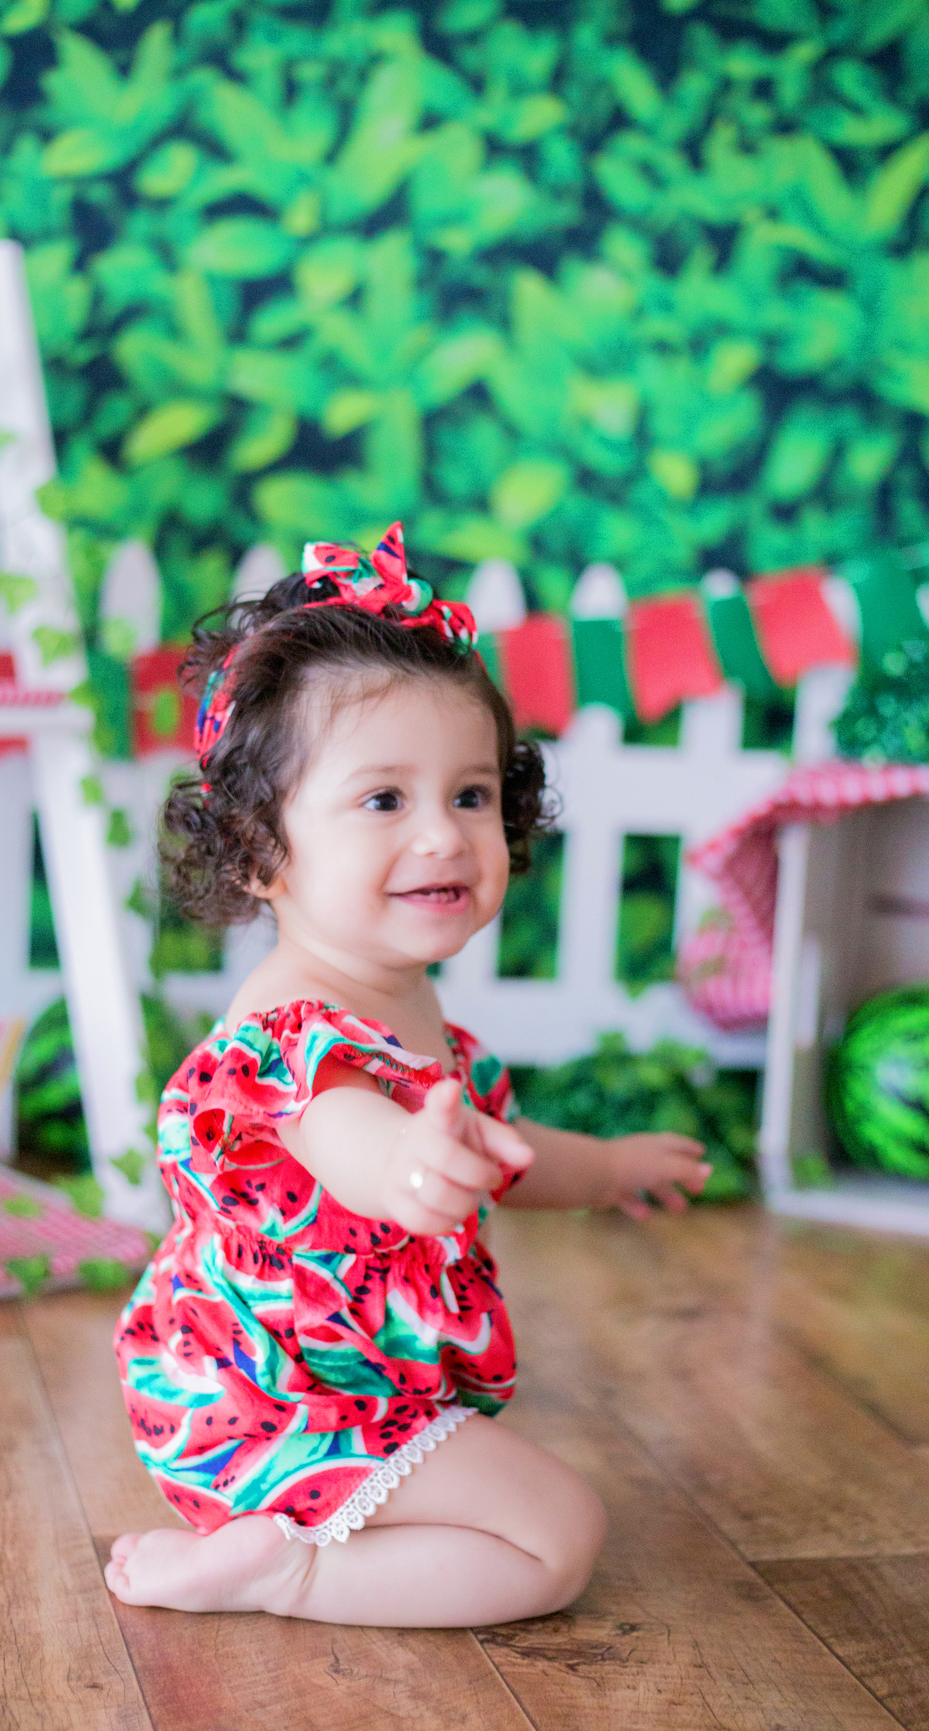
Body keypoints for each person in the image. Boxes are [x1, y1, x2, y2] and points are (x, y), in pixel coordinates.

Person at [107, 524, 710, 1628]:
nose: (443, 835)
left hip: (346, 1383)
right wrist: (407, 1167)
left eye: (470, 795)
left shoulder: (405, 1007)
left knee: (534, 1518)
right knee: (557, 1537)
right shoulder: (288, 1034)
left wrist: (611, 1166)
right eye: (385, 800)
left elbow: (501, 1153)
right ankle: (286, 1571)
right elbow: (350, 1136)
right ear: (260, 850)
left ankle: (307, 1541)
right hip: (277, 1410)